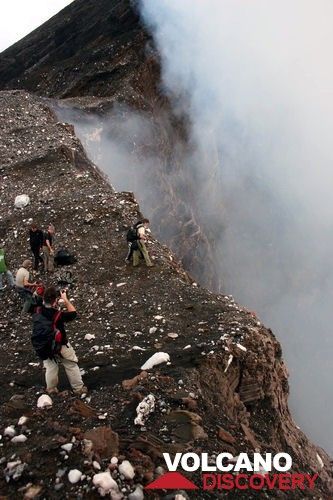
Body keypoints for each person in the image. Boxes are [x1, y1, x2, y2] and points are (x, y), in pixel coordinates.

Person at [32, 286, 87, 395]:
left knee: (51, 367)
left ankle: (51, 389)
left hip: (44, 345)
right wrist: (65, 299)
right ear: (55, 301)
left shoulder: (37, 309)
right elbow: (73, 313)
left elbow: (35, 298)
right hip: (60, 344)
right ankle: (79, 389)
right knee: (70, 364)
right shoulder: (57, 315)